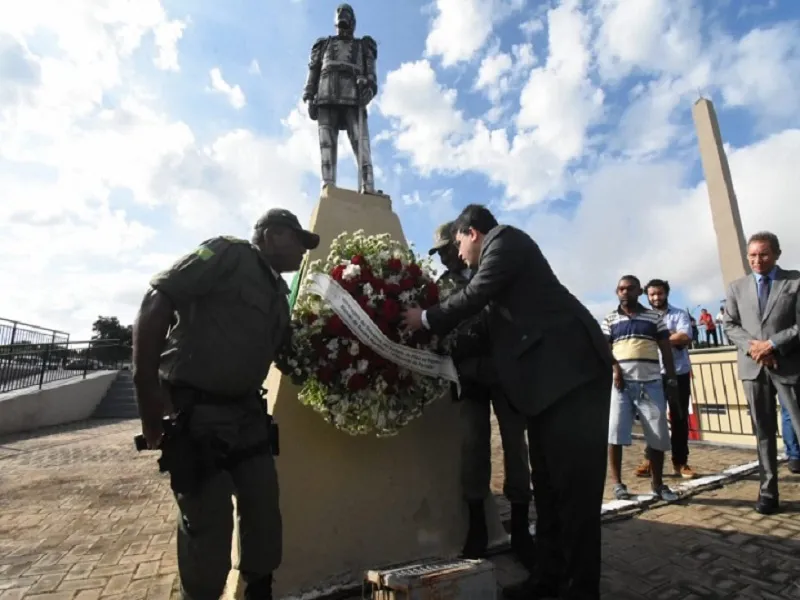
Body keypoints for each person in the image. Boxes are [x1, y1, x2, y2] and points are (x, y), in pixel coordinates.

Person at [402, 204, 613, 600]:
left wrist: (426, 319)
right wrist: (425, 345)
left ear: (472, 232)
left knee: (575, 496)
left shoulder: (506, 242)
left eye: (459, 243)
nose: (459, 254)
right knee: (548, 492)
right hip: (546, 390)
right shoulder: (495, 272)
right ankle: (547, 581)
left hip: (573, 379)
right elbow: (481, 327)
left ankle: (581, 590)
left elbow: (477, 295)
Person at [132, 208, 319, 600]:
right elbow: (157, 298)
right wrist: (147, 394)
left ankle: (259, 590)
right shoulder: (227, 253)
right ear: (272, 235)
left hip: (248, 415)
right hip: (198, 415)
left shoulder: (279, 296)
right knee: (208, 522)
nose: (304, 251)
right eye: (298, 240)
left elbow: (291, 356)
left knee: (264, 511)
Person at [429, 222, 534, 568]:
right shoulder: (441, 286)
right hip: (468, 375)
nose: (446, 256)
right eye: (440, 253)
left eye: (448, 249)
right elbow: (439, 327)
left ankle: (520, 528)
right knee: (473, 447)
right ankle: (477, 529)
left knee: (515, 447)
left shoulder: (487, 270)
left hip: (504, 370)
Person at [724, 231, 800, 514]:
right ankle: (768, 491)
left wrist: (772, 345)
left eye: (764, 254)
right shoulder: (736, 287)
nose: (758, 260)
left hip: (788, 365)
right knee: (764, 433)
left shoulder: (795, 281)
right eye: (753, 255)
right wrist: (754, 348)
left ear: (777, 254)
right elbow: (730, 325)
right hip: (752, 369)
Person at [603, 276, 680, 503]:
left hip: (651, 383)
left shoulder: (654, 317)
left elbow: (666, 350)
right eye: (620, 289)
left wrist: (672, 381)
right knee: (615, 434)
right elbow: (605, 350)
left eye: (629, 288)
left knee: (657, 435)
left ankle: (658, 484)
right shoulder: (610, 319)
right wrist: (616, 369)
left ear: (639, 291)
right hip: (621, 385)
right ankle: (618, 484)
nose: (624, 292)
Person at [634, 279, 696, 480]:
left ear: (666, 293)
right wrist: (670, 336)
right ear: (647, 296)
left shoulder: (679, 314)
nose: (656, 298)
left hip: (677, 372)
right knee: (653, 418)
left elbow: (685, 337)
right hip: (651, 373)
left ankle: (680, 462)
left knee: (678, 418)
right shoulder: (644, 317)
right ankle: (650, 460)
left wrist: (658, 338)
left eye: (659, 293)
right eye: (652, 294)